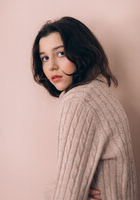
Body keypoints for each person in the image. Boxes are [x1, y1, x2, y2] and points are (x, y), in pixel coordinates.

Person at [31, 16, 138, 200]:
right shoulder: (99, 92)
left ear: (81, 52)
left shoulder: (79, 101)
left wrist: (54, 191)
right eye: (45, 58)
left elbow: (65, 195)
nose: (52, 66)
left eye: (61, 53)